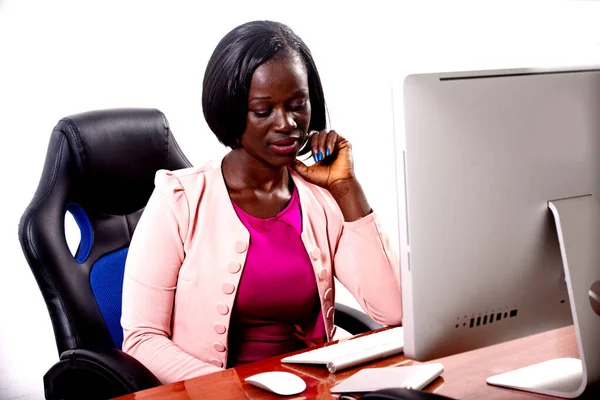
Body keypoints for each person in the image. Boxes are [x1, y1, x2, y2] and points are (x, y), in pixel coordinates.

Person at [121, 20, 402, 385]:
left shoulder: (321, 198)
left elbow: (393, 311)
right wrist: (238, 390)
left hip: (313, 390)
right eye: (263, 110)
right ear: (231, 112)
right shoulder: (180, 200)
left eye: (298, 104)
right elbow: (142, 340)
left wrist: (347, 188)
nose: (287, 123)